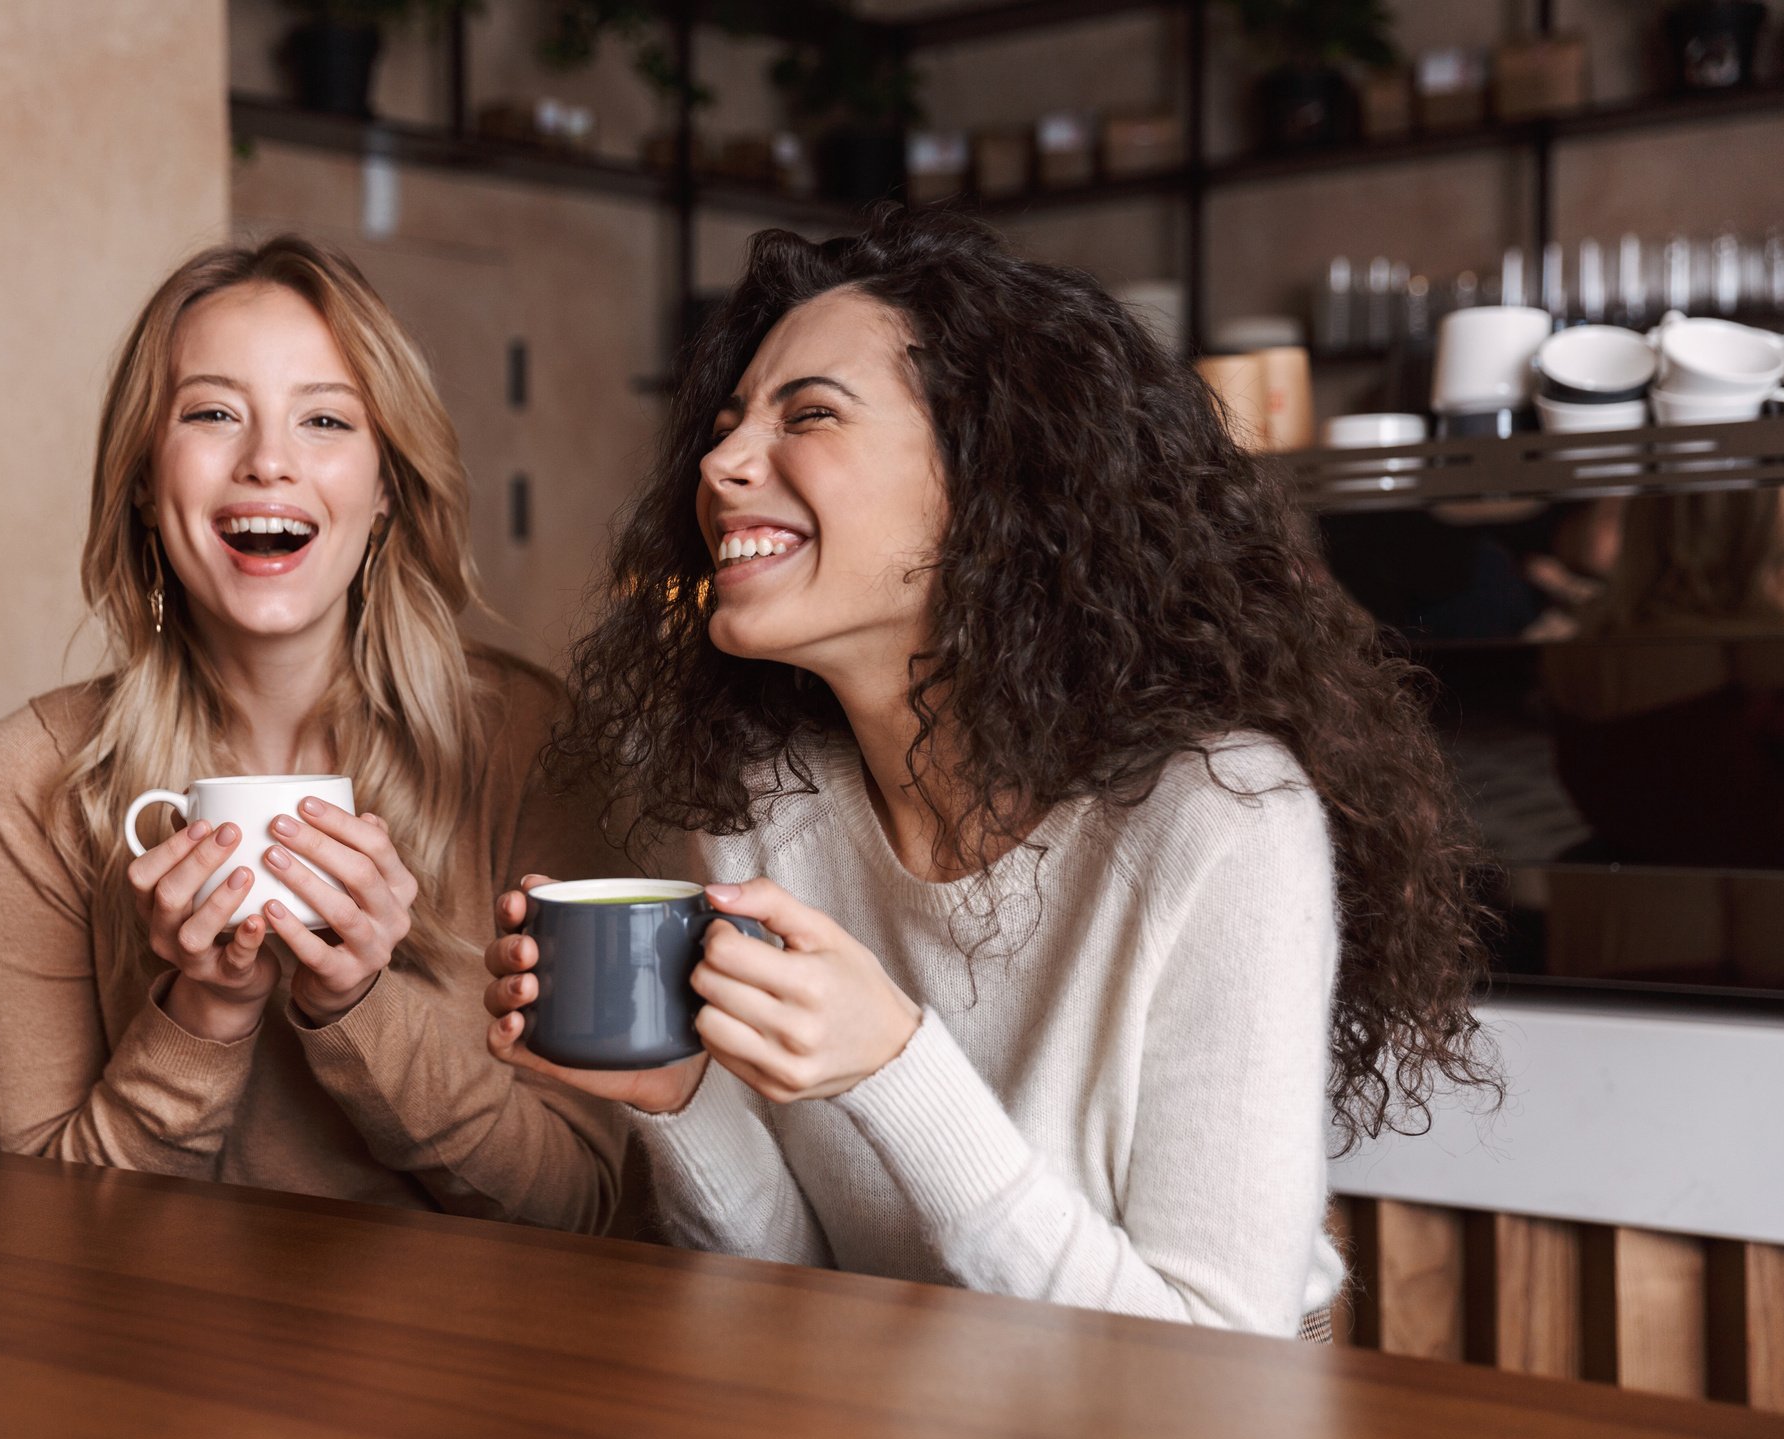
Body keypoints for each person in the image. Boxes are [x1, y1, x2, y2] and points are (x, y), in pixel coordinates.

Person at [482, 208, 1497, 1334]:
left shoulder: (1222, 823)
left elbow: (1216, 1358)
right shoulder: (768, 805)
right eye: (725, 427)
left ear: (992, 478)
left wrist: (895, 1069)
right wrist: (680, 1101)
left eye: (808, 414)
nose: (720, 464)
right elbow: (794, 1273)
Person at [0, 238, 625, 1230]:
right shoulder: (33, 780)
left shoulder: (530, 743)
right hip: (160, 1366)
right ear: (143, 479)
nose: (268, 461)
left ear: (388, 486)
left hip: (479, 1368)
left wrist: (361, 1006)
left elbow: (582, 1207)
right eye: (214, 414)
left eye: (324, 420)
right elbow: (53, 1227)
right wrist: (204, 1016)